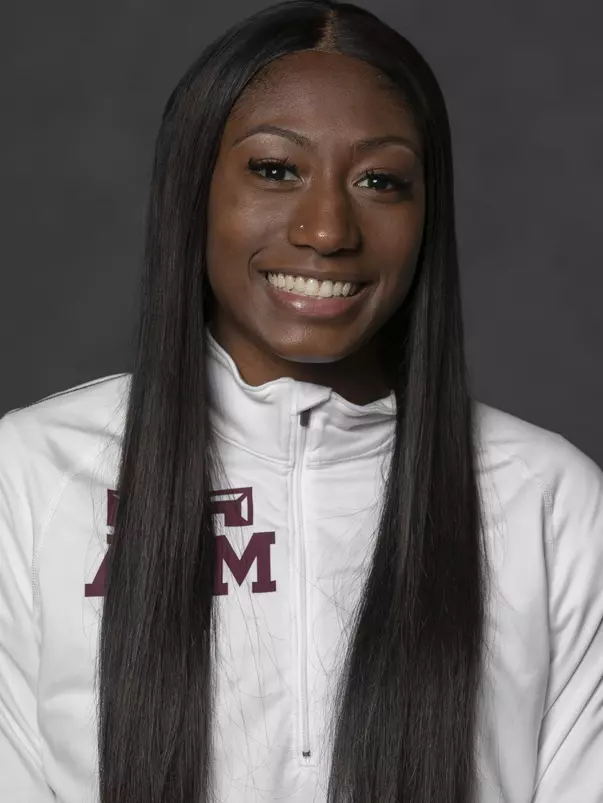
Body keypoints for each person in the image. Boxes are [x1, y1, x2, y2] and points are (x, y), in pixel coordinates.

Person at [1, 1, 602, 801]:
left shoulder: (549, 500)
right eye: (275, 170)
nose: (326, 230)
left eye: (380, 181)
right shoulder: (32, 475)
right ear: (192, 188)